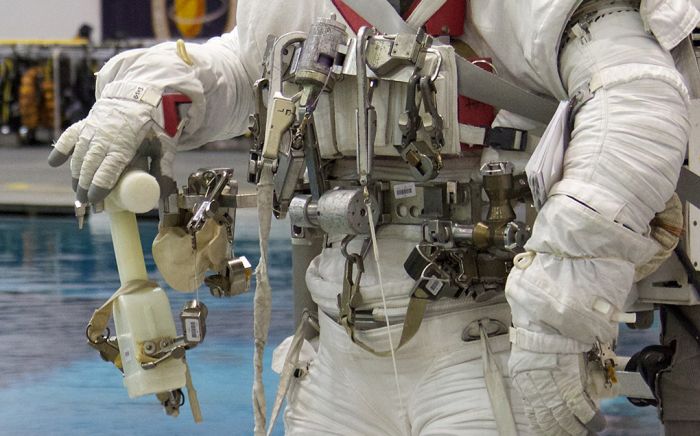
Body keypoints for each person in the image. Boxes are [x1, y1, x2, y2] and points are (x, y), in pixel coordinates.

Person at [48, 0, 698, 434]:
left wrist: (558, 319)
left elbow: (635, 96)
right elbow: (244, 66)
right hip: (337, 345)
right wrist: (144, 95)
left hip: (491, 344)